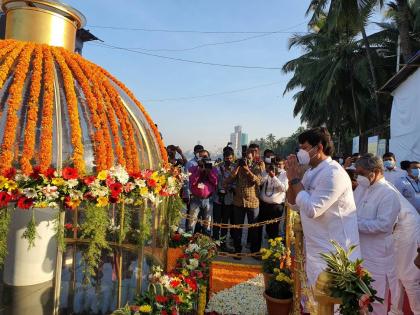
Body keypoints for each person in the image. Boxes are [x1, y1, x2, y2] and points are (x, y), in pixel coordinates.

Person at [286, 127, 360, 287]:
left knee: (334, 308)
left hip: (334, 253)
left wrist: (294, 181)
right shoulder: (310, 172)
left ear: (319, 147)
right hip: (315, 249)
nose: (300, 153)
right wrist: (291, 178)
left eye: (304, 148)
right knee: (316, 305)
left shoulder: (334, 173)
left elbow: (312, 209)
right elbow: (294, 205)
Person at [354, 154, 400, 315]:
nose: (358, 177)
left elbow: (384, 225)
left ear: (376, 171)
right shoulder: (361, 188)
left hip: (378, 257)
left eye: (361, 173)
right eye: (356, 173)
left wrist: (354, 224)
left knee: (375, 302)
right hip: (359, 253)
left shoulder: (389, 193)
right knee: (357, 299)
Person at [227, 145, 263, 259]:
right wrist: (238, 166)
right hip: (238, 202)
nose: (248, 157)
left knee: (254, 229)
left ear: (254, 156)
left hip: (253, 202)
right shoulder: (237, 164)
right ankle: (238, 251)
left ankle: (255, 252)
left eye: (251, 154)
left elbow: (258, 181)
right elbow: (229, 179)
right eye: (247, 154)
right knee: (237, 228)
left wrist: (247, 170)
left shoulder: (258, 166)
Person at [389, 195, 420, 315]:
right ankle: (395, 311)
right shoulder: (366, 189)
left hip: (407, 233)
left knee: (408, 277)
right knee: (395, 275)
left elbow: (389, 224)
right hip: (400, 233)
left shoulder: (384, 190)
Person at [188, 150, 218, 235]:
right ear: (198, 158)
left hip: (208, 199)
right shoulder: (193, 168)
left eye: (205, 157)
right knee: (191, 223)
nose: (203, 159)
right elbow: (192, 182)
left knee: (207, 224)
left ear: (209, 157)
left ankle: (206, 243)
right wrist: (199, 170)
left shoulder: (213, 169)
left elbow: (215, 182)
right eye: (201, 157)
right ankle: (188, 242)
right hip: (195, 198)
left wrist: (209, 172)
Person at [259, 157, 288, 240]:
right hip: (264, 205)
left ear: (284, 165)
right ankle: (259, 250)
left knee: (273, 230)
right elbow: (260, 182)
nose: (278, 166)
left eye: (280, 164)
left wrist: (273, 177)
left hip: (276, 207)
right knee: (261, 228)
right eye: (276, 164)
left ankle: (273, 251)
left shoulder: (285, 174)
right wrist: (266, 172)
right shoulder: (269, 171)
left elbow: (283, 188)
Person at [212, 147, 235, 250]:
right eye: (226, 158)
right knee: (216, 222)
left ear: (233, 158)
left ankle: (223, 243)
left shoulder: (235, 169)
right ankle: (215, 243)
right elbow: (213, 181)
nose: (228, 160)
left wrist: (230, 188)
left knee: (225, 223)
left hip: (229, 200)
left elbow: (236, 183)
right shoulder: (217, 168)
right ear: (223, 158)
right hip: (217, 199)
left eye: (230, 158)